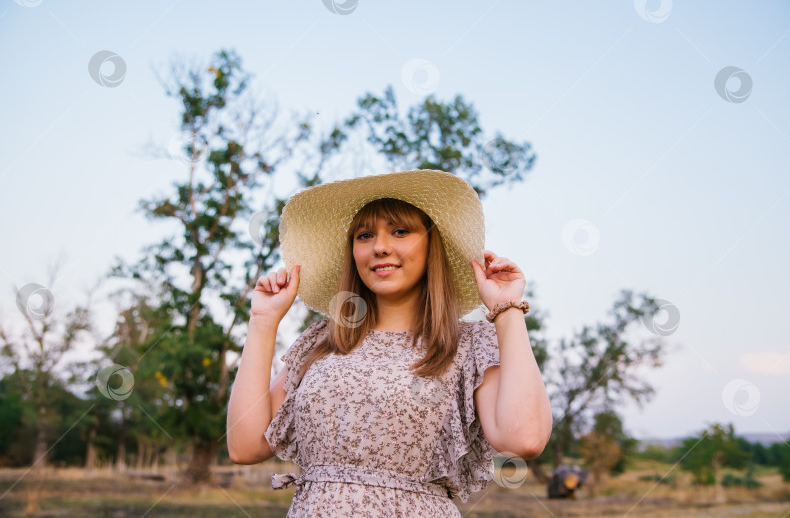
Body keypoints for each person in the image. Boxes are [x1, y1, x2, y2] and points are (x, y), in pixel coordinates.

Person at [226, 169, 552, 517]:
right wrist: (262, 322)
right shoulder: (323, 341)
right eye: (365, 235)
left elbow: (524, 439)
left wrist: (507, 310)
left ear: (431, 245)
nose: (380, 246)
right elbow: (245, 446)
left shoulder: (467, 346)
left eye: (400, 231)